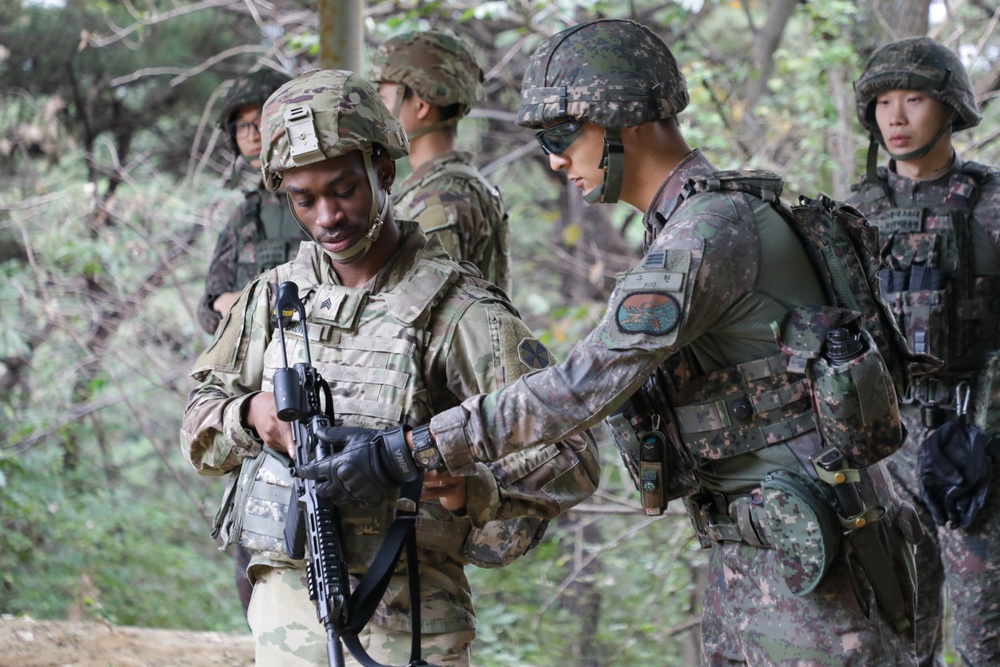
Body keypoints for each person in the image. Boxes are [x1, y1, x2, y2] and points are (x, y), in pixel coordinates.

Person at [298, 19, 925, 665]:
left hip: (819, 577)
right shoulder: (690, 223)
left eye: (562, 134)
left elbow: (575, 389)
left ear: (619, 120)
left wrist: (411, 448)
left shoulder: (707, 233)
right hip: (769, 557)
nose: (554, 158)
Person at [180, 69, 599, 667]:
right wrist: (251, 416)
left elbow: (573, 453)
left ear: (383, 170)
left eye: (343, 189)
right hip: (288, 620)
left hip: (412, 619)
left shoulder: (458, 311)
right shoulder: (271, 298)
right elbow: (197, 426)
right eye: (304, 200)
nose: (327, 216)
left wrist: (467, 489)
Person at [849, 36, 1000, 667]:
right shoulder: (851, 211)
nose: (897, 116)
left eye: (914, 99)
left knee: (986, 636)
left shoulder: (991, 203)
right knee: (900, 639)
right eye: (883, 101)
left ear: (949, 107)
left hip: (977, 440)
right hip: (884, 449)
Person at [370, 31, 511, 294]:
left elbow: (425, 309)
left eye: (384, 98)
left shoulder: (439, 201)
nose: (378, 111)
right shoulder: (452, 185)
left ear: (421, 106)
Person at [196, 68, 309, 336]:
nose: (251, 135)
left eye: (260, 122)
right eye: (242, 126)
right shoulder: (246, 214)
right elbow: (209, 307)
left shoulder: (321, 201)